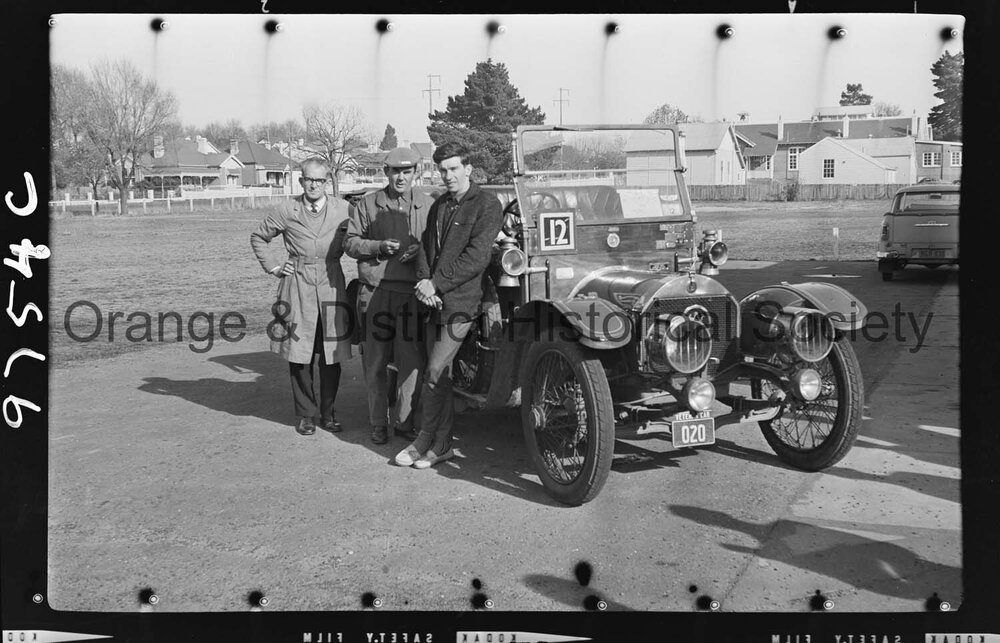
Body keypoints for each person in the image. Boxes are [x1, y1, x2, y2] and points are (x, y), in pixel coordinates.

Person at [395, 142, 503, 469]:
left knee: (434, 371)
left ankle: (434, 440)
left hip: (464, 302)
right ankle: (433, 440)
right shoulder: (440, 204)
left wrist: (436, 284)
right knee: (439, 377)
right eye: (443, 170)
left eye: (454, 168)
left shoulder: (486, 204)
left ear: (469, 169)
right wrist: (425, 284)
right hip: (434, 302)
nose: (448, 176)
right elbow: (427, 248)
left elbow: (477, 257)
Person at [250, 158, 352, 436]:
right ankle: (306, 414)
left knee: (331, 354)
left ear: (327, 181)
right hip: (297, 285)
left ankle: (328, 413)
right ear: (301, 181)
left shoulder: (343, 209)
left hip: (331, 283)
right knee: (300, 354)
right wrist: (274, 266)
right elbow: (259, 236)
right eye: (309, 179)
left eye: (320, 180)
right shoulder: (287, 209)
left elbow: (362, 236)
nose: (314, 185)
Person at [344, 147, 434, 445]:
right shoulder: (368, 204)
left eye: (407, 172)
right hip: (376, 292)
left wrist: (419, 251)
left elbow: (437, 245)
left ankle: (405, 422)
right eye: (395, 171)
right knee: (376, 362)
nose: (401, 177)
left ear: (415, 173)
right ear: (386, 173)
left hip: (411, 294)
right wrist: (379, 246)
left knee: (412, 362)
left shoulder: (428, 204)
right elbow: (351, 243)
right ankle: (377, 422)